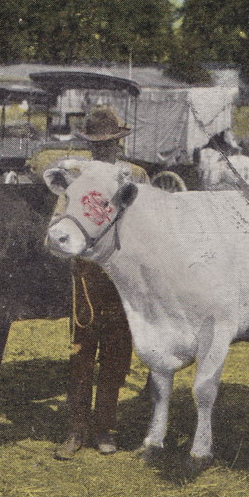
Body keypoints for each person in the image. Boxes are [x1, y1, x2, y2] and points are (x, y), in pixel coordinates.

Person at [54, 106, 148, 459]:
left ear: (119, 144)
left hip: (122, 276)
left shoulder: (136, 176)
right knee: (81, 353)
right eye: (97, 144)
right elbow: (60, 219)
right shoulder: (75, 175)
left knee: (116, 353)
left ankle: (104, 427)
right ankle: (76, 430)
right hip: (87, 275)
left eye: (109, 143)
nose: (103, 149)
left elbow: (148, 223)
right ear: (89, 145)